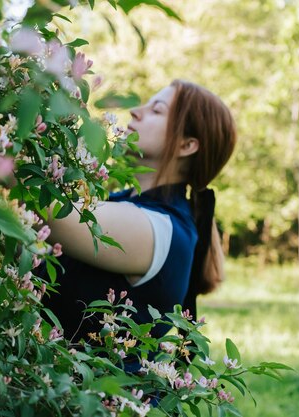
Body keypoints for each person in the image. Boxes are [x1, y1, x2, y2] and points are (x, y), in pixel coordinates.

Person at [42, 79, 237, 344]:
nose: (136, 111)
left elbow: (45, 210)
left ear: (186, 145)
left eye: (157, 110)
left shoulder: (161, 228)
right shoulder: (117, 200)